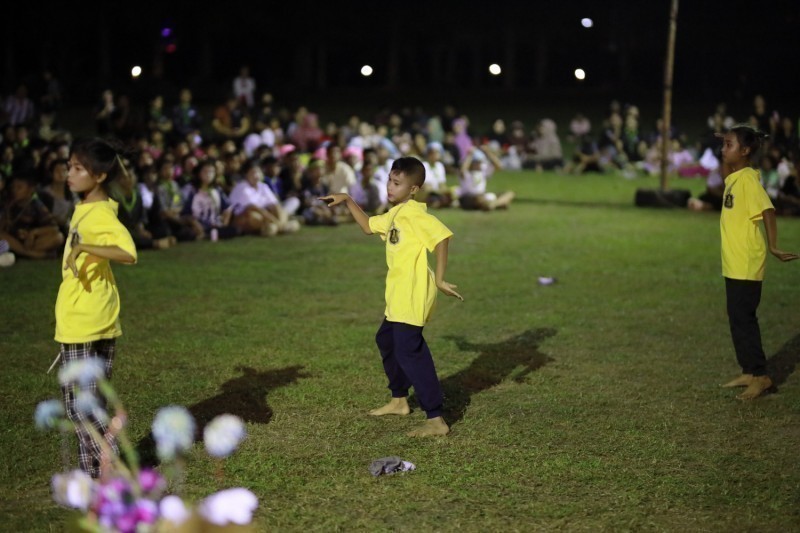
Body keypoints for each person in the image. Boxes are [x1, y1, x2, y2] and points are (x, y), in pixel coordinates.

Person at [319, 156, 463, 438]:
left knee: (410, 351)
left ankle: (436, 418)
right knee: (385, 340)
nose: (389, 187)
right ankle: (399, 401)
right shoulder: (396, 214)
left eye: (397, 183)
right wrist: (348, 200)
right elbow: (368, 226)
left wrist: (440, 279)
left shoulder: (415, 215)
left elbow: (442, 238)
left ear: (413, 189)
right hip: (397, 295)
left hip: (412, 293)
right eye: (389, 180)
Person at [55, 138, 138, 478]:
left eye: (78, 168)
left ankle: (112, 472)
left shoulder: (99, 213)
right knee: (92, 405)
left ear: (100, 176)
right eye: (69, 166)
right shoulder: (87, 208)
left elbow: (128, 252)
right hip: (95, 314)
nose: (69, 174)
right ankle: (93, 477)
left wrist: (85, 247)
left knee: (80, 408)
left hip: (83, 319)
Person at [717, 124, 799, 400]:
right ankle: (749, 371)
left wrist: (773, 246)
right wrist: (728, 144)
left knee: (744, 319)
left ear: (745, 150)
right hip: (734, 262)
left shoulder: (749, 181)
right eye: (724, 144)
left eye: (729, 145)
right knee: (736, 317)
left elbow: (768, 210)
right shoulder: (735, 178)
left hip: (746, 262)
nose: (723, 149)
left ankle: (761, 376)